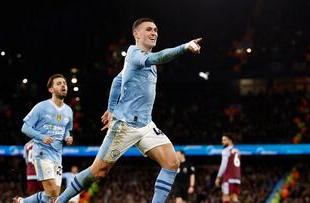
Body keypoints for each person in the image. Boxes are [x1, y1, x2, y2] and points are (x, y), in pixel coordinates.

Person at [55, 17, 202, 203]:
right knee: (98, 172)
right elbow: (159, 57)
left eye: (156, 30)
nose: (154, 33)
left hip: (146, 125)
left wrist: (110, 109)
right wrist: (184, 47)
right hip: (125, 125)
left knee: (172, 163)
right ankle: (60, 200)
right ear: (136, 34)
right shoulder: (135, 54)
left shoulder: (139, 59)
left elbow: (117, 80)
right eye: (149, 29)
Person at [13, 73, 74, 203]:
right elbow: (25, 127)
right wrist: (41, 137)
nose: (63, 85)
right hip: (41, 153)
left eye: (64, 83)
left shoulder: (69, 111)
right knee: (52, 191)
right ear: (51, 90)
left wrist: (68, 137)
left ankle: (22, 202)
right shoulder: (41, 107)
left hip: (57, 156)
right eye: (59, 83)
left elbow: (67, 130)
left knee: (53, 196)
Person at [215, 134, 241, 203]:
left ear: (230, 141)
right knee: (234, 197)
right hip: (237, 178)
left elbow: (223, 165)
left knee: (225, 196)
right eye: (222, 140)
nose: (222, 142)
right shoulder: (237, 151)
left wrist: (218, 177)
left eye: (224, 140)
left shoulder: (225, 150)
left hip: (228, 177)